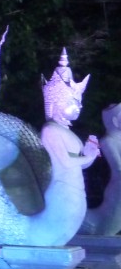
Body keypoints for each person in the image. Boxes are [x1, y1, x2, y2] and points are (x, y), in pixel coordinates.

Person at [41, 49, 100, 193]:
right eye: (71, 103)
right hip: (61, 189)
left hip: (75, 189)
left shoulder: (66, 130)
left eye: (79, 103)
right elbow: (66, 162)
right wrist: (88, 158)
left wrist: (90, 152)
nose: (79, 107)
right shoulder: (50, 130)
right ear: (54, 103)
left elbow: (79, 165)